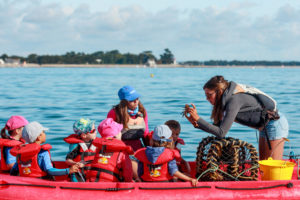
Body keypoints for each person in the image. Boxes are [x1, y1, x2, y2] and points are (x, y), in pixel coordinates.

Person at [185, 75, 289, 160]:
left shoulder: (234, 101)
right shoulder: (223, 103)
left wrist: (198, 118)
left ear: (219, 91)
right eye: (205, 95)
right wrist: (197, 124)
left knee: (273, 166)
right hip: (265, 127)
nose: (207, 98)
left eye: (209, 95)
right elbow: (217, 130)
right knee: (263, 165)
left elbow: (221, 132)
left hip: (275, 124)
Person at [107, 85, 149, 180]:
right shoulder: (114, 113)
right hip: (122, 149)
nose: (136, 102)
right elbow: (108, 134)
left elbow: (145, 133)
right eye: (132, 100)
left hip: (138, 148)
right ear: (123, 102)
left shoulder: (142, 111)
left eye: (137, 98)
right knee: (135, 173)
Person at [10, 121, 79, 179]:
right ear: (39, 137)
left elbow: (13, 171)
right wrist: (68, 170)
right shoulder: (43, 152)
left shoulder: (21, 153)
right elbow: (50, 171)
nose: (45, 134)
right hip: (41, 183)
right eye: (44, 132)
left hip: (26, 182)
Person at [86, 118, 133, 182]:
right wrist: (129, 182)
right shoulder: (122, 152)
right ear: (115, 136)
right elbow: (128, 171)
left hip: (91, 181)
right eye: (120, 131)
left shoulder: (97, 147)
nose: (121, 133)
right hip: (111, 185)